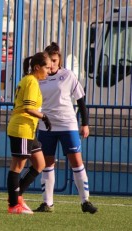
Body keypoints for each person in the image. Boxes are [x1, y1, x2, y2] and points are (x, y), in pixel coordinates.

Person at [35, 42, 98, 214]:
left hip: (67, 124)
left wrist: (85, 123)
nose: (52, 64)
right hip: (46, 126)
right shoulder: (38, 77)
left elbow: (80, 100)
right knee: (47, 163)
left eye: (55, 60)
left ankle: (85, 201)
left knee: (76, 162)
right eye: (50, 60)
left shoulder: (68, 75)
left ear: (59, 60)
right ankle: (47, 203)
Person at [7, 52, 52, 214]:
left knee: (40, 163)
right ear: (37, 67)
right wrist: (44, 117)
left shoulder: (30, 80)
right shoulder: (31, 81)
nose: (49, 69)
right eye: (47, 67)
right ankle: (13, 205)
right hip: (22, 128)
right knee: (17, 166)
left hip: (28, 130)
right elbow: (28, 108)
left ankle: (17, 196)